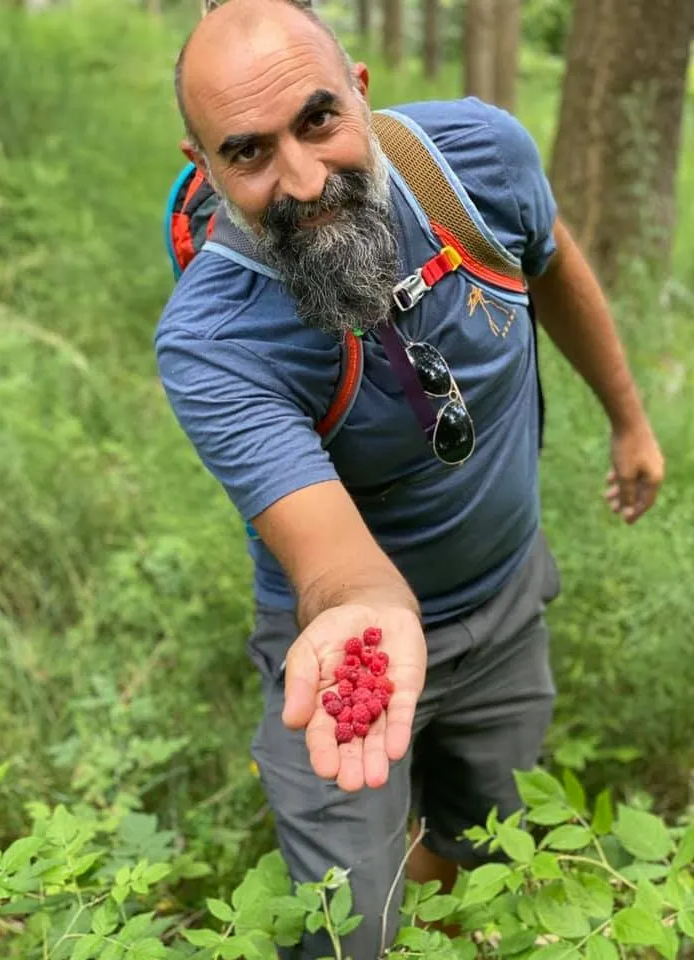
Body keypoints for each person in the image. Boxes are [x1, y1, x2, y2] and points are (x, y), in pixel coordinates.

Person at [155, 0, 665, 954]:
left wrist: (628, 420)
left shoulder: (477, 162)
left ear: (360, 91)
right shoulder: (213, 342)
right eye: (250, 154)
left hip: (509, 601)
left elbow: (550, 262)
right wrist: (363, 613)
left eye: (317, 120)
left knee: (486, 846)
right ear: (206, 166)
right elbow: (337, 562)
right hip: (349, 644)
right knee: (350, 933)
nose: (303, 179)